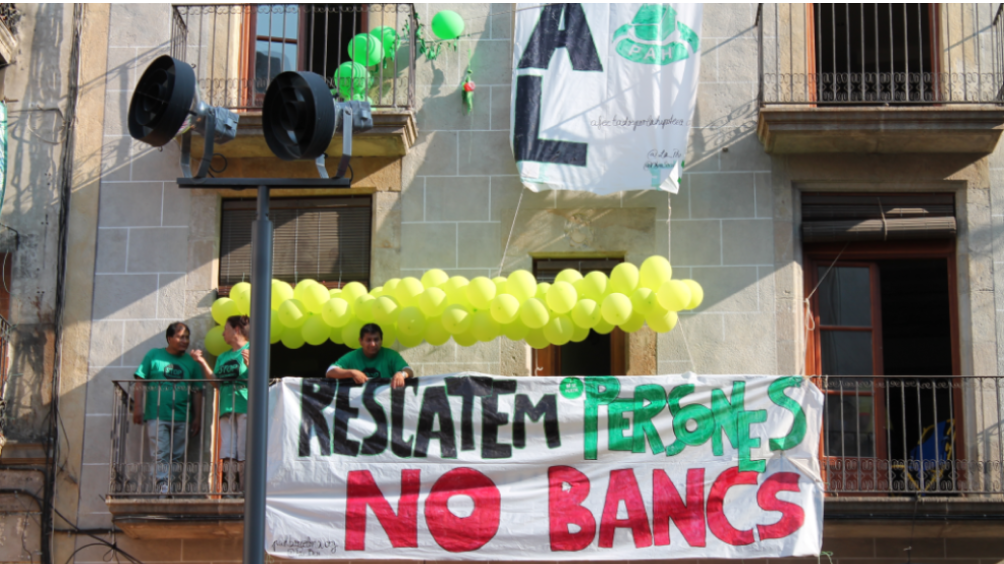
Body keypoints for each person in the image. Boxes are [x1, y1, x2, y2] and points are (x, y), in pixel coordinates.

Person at [132, 322, 203, 495]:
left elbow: (197, 391)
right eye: (180, 337)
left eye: (186, 337)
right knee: (160, 452)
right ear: (169, 338)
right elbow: (140, 381)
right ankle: (162, 491)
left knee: (177, 456)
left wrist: (197, 417)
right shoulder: (153, 355)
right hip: (157, 414)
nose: (184, 341)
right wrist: (138, 407)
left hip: (182, 416)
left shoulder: (191, 363)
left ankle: (169, 488)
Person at [191, 315, 250, 493]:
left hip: (245, 406)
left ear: (236, 330)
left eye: (226, 329)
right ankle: (229, 491)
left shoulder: (253, 349)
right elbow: (216, 382)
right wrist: (202, 362)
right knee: (227, 450)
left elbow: (262, 380)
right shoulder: (223, 356)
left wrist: (251, 364)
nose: (223, 333)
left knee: (243, 449)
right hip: (226, 407)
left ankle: (245, 492)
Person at [326, 323, 414, 388]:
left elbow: (409, 371)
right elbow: (330, 372)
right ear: (360, 341)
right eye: (368, 340)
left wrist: (401, 374)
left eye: (376, 340)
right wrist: (352, 373)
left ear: (381, 340)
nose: (373, 344)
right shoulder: (352, 356)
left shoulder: (391, 355)